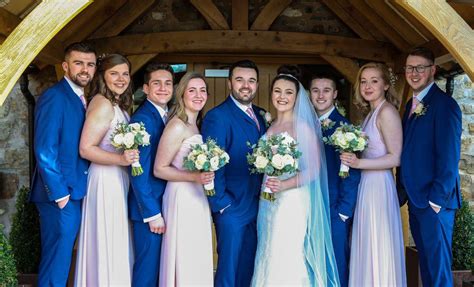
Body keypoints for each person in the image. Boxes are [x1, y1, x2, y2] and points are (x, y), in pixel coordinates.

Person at [251, 67, 339, 286]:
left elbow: (313, 170)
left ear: (298, 96)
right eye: (278, 91)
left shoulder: (302, 127)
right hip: (268, 200)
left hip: (291, 201)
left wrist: (284, 184)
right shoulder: (271, 125)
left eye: (288, 92)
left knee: (286, 254)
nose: (282, 97)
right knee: (268, 250)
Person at [29, 42, 96, 286]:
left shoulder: (81, 97)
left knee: (63, 256)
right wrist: (60, 194)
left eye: (90, 64)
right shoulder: (54, 97)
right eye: (79, 63)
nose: (85, 69)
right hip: (59, 194)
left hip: (75, 190)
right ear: (65, 66)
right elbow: (45, 149)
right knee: (56, 258)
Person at [398, 47, 461, 287]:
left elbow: (449, 157)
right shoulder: (410, 105)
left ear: (432, 70)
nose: (413, 73)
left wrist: (436, 199)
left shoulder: (445, 105)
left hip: (436, 202)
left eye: (419, 68)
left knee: (438, 270)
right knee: (426, 265)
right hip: (417, 199)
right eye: (409, 68)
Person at [201, 60, 267, 286]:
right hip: (232, 206)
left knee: (250, 264)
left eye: (251, 80)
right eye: (240, 80)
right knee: (228, 269)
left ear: (257, 84)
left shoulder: (261, 115)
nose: (245, 85)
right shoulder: (217, 116)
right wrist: (221, 204)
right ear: (230, 83)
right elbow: (212, 162)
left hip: (259, 204)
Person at [341, 62, 406, 286]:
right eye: (363, 81)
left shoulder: (387, 112)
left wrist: (358, 163)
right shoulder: (371, 113)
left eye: (374, 81)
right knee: (367, 241)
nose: (367, 86)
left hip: (379, 185)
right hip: (367, 184)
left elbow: (395, 157)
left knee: (377, 241)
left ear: (386, 85)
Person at [74, 54, 136, 286]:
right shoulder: (101, 103)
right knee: (107, 239)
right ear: (103, 76)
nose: (121, 79)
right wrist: (121, 159)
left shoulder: (117, 104)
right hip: (105, 181)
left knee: (116, 239)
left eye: (125, 73)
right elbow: (86, 149)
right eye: (114, 73)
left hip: (118, 178)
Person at [154, 72, 214, 286]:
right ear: (181, 95)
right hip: (182, 197)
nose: (198, 95)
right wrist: (194, 177)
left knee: (196, 252)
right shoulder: (177, 125)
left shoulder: (197, 125)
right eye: (192, 90)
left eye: (202, 90)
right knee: (185, 252)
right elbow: (159, 169)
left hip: (198, 196)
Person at [310, 74, 361, 287]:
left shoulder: (346, 128)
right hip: (308, 207)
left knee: (336, 262)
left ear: (335, 94)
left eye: (326, 90)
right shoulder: (304, 124)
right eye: (315, 90)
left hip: (334, 208)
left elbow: (352, 173)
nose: (321, 95)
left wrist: (343, 211)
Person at [128, 62, 174, 286]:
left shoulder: (167, 116)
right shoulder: (143, 120)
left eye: (168, 83)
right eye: (157, 83)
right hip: (149, 210)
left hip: (162, 203)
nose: (163, 88)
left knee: (159, 271)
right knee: (147, 272)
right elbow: (138, 170)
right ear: (146, 88)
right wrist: (151, 213)